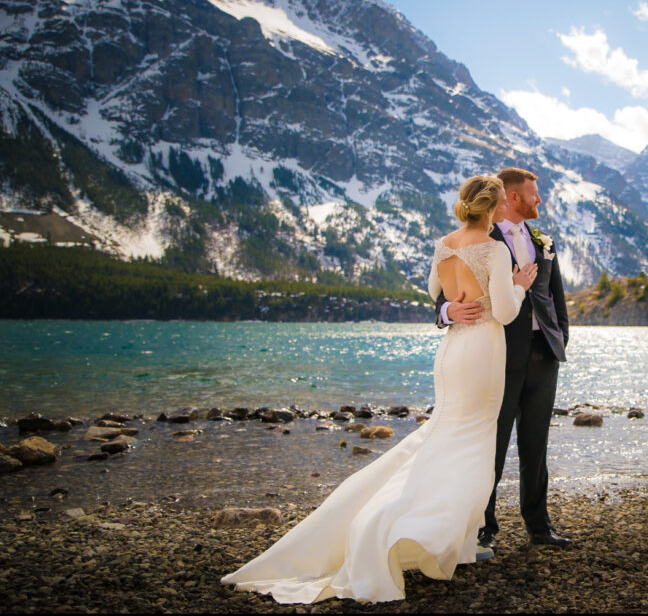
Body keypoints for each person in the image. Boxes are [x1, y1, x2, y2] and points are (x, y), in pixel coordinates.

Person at [220, 175, 537, 604]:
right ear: (492, 206)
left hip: (452, 352)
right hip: (482, 351)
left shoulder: (444, 244)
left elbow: (433, 292)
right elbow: (502, 311)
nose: (503, 211)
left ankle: (451, 541)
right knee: (474, 443)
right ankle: (416, 532)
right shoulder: (495, 249)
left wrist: (448, 307)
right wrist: (519, 285)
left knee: (445, 435)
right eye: (500, 204)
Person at [436, 166, 571, 552]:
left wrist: (560, 336)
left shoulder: (543, 240)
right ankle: (483, 525)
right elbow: (441, 296)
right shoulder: (480, 238)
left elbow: (555, 296)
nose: (539, 200)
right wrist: (448, 313)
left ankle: (539, 525)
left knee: (536, 445)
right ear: (512, 197)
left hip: (544, 355)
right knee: (489, 443)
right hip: (496, 356)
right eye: (533, 193)